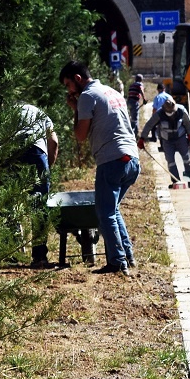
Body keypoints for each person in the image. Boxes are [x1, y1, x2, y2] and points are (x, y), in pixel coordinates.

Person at [59, 60, 139, 274]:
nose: (68, 90)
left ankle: (117, 263)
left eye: (68, 85)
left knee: (105, 213)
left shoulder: (87, 96)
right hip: (132, 159)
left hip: (112, 159)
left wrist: (75, 110)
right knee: (112, 210)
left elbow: (80, 135)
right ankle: (128, 257)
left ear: (78, 79)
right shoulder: (111, 91)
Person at [16, 102, 59, 268]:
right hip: (35, 152)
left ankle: (11, 253)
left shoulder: (9, 112)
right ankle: (39, 257)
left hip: (12, 152)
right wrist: (47, 169)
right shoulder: (42, 114)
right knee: (39, 206)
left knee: (8, 202)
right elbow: (53, 142)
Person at [139, 97, 190, 188]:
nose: (171, 113)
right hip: (167, 141)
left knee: (187, 159)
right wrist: (142, 138)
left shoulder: (181, 110)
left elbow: (187, 122)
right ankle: (176, 181)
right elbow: (149, 125)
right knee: (170, 161)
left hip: (180, 137)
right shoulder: (159, 113)